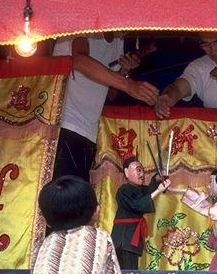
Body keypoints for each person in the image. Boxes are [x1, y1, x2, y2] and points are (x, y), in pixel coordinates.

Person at [53, 33, 159, 181]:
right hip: (64, 123)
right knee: (65, 188)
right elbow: (79, 60)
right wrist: (129, 85)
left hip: (89, 131)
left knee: (78, 189)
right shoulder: (86, 25)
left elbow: (109, 95)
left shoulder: (117, 39)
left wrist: (124, 71)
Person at [111, 155, 170, 270]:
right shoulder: (123, 190)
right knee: (127, 273)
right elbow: (137, 204)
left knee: (131, 272)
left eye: (142, 170)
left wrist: (157, 179)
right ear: (126, 172)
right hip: (124, 239)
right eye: (138, 170)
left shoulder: (140, 189)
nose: (142, 174)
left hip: (130, 239)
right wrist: (158, 190)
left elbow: (149, 191)